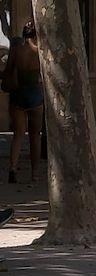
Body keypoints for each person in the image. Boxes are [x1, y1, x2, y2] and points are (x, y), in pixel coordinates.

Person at [5, 21, 43, 186]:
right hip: (34, 94)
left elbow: (7, 72)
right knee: (35, 136)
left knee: (18, 135)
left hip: (18, 94)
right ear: (35, 35)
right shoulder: (39, 53)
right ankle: (35, 173)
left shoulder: (16, 51)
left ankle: (12, 168)